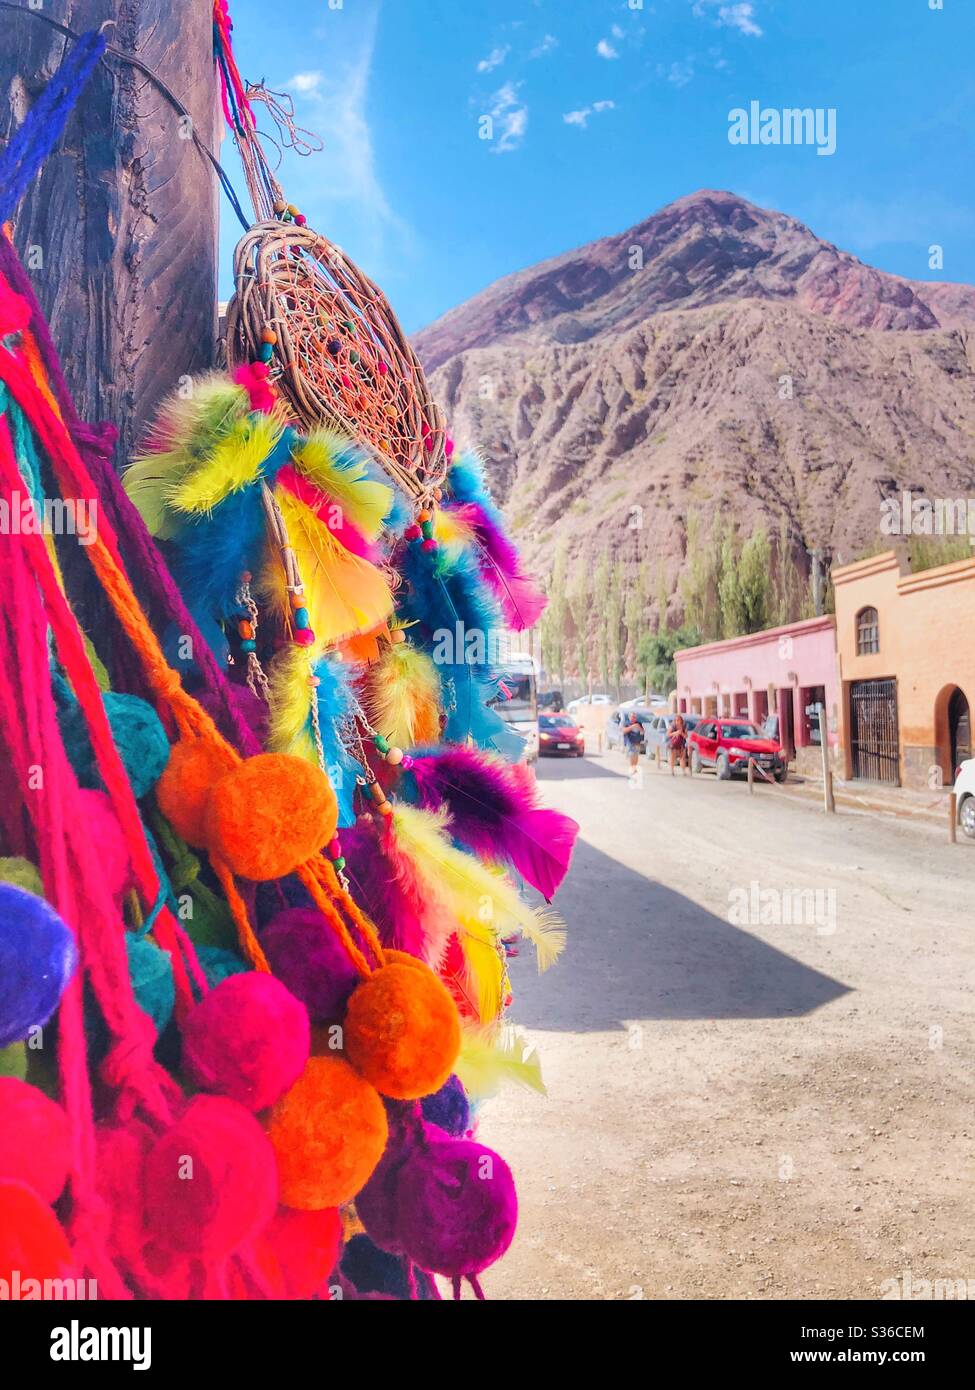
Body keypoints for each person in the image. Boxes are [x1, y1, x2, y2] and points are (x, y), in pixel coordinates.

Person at [622, 712, 644, 776]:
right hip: (630, 742)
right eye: (632, 717)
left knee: (636, 755)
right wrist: (632, 727)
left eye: (635, 717)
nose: (634, 718)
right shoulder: (626, 724)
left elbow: (642, 732)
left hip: (637, 742)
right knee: (632, 755)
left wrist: (639, 728)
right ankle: (632, 768)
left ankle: (634, 767)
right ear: (629, 717)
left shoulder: (639, 723)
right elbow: (623, 731)